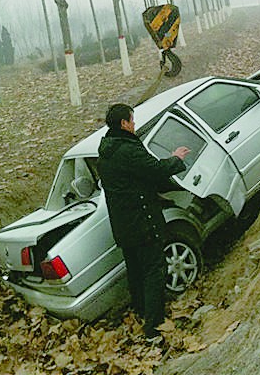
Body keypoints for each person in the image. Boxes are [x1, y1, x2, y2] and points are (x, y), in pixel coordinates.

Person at [97, 103, 190, 341]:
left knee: (136, 272)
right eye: (132, 120)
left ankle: (142, 311)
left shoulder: (106, 151)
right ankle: (154, 328)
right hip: (143, 224)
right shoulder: (127, 150)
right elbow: (155, 170)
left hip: (124, 227)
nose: (135, 124)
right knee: (154, 272)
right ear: (124, 124)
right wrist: (176, 159)